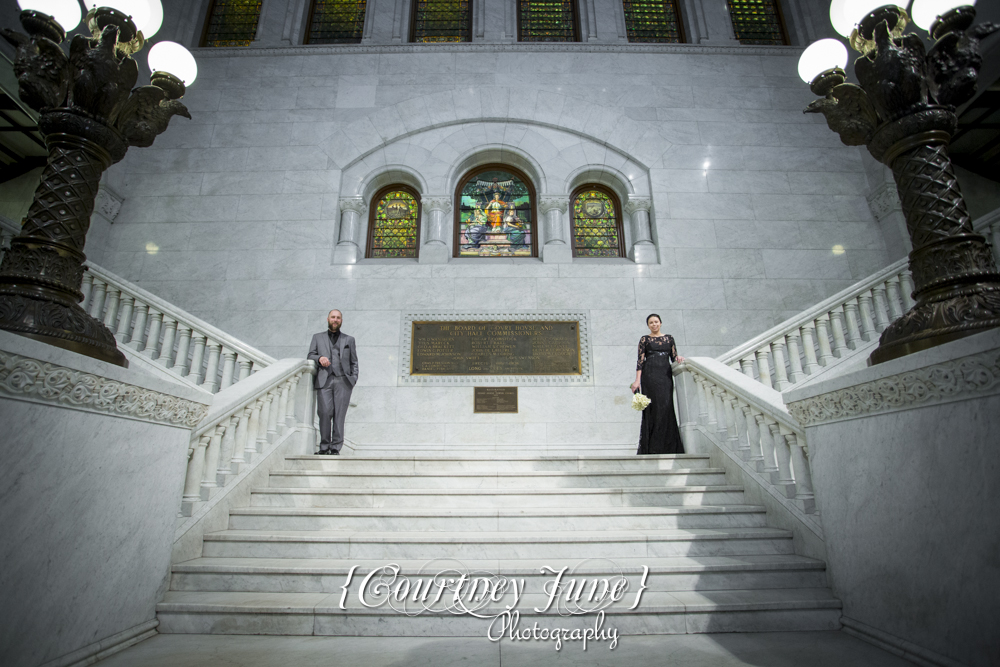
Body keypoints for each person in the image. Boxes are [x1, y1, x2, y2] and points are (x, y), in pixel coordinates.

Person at [629, 314, 685, 455]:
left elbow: (673, 357)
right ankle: (652, 447)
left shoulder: (669, 338)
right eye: (651, 323)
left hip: (665, 377)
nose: (654, 324)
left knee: (666, 407)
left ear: (660, 323)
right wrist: (637, 381)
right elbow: (640, 361)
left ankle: (668, 446)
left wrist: (678, 357)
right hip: (649, 376)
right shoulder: (645, 339)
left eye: (656, 322)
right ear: (648, 325)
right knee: (652, 409)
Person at [307, 309, 359, 455]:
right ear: (328, 319)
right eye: (333, 317)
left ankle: (335, 447)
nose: (335, 320)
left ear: (341, 320)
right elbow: (310, 354)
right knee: (324, 412)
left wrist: (353, 379)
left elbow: (354, 361)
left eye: (338, 318)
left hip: (343, 381)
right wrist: (319, 358)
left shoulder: (349, 340)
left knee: (339, 415)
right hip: (325, 380)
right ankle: (324, 447)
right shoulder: (317, 337)